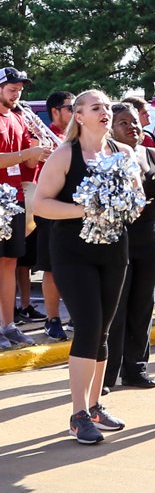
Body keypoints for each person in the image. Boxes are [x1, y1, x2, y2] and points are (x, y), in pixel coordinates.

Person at [32, 90, 136, 443]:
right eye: (97, 108)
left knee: (104, 329)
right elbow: (42, 205)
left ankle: (95, 405)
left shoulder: (123, 154)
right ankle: (77, 414)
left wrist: (129, 202)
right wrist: (86, 210)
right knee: (88, 326)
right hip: (72, 251)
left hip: (113, 248)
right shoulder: (65, 155)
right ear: (79, 116)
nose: (105, 112)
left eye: (107, 106)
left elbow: (135, 197)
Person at [103, 103, 155, 390]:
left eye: (135, 122)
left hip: (153, 237)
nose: (132, 127)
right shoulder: (106, 156)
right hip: (119, 239)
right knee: (116, 306)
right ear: (110, 129)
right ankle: (107, 372)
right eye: (123, 123)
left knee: (143, 304)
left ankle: (136, 368)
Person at [0, 66, 52, 350]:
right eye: (11, 88)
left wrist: (38, 150)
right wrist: (27, 153)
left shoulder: (18, 119)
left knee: (10, 263)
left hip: (13, 198)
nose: (17, 93)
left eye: (20, 89)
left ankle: (8, 324)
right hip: (1, 199)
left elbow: (27, 165)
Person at [34, 88, 74, 341]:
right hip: (51, 209)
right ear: (55, 112)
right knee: (51, 268)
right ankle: (52, 319)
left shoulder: (79, 138)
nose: (74, 113)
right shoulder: (46, 137)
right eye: (71, 108)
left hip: (74, 209)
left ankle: (76, 316)